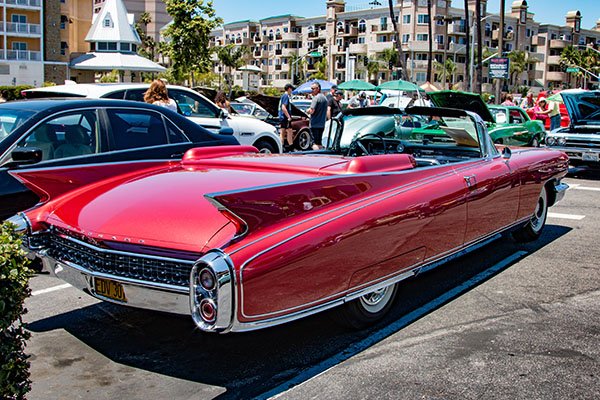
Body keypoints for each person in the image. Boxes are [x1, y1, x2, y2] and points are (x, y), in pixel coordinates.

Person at [306, 82, 327, 150]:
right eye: (311, 88)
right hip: (322, 124)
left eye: (313, 88)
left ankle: (316, 157)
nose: (311, 90)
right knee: (319, 143)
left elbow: (312, 111)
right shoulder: (324, 98)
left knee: (314, 143)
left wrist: (307, 111)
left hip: (315, 124)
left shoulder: (316, 98)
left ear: (318, 89)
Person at [279, 83, 294, 150]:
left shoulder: (283, 96)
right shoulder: (285, 96)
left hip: (282, 117)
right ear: (289, 89)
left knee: (282, 131)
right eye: (291, 89)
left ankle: (281, 146)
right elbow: (283, 107)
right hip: (285, 117)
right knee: (289, 131)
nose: (292, 90)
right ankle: (291, 146)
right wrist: (288, 117)